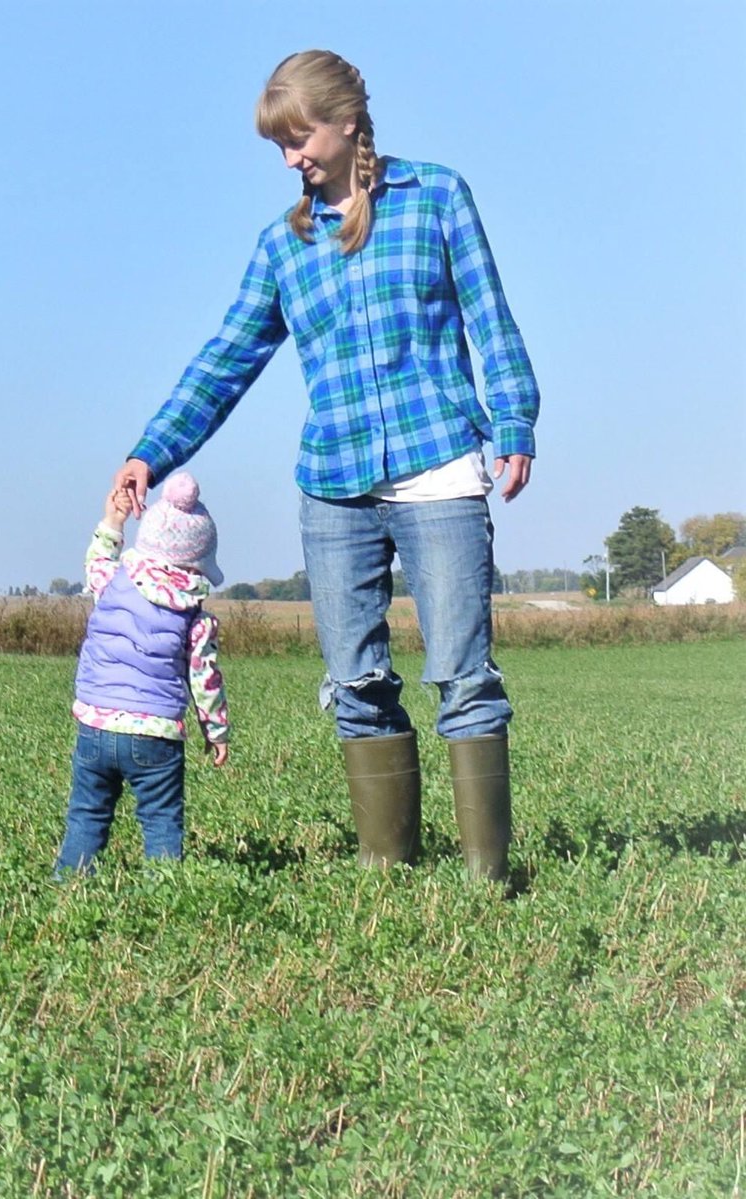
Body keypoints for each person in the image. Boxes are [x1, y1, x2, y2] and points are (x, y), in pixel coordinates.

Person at [114, 50, 540, 881]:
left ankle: (488, 882)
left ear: (349, 121)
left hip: (439, 469)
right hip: (333, 488)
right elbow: (225, 359)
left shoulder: (438, 197)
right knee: (356, 682)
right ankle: (392, 875)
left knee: (463, 674)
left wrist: (514, 416)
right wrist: (149, 450)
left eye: (299, 137)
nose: (290, 160)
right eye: (279, 146)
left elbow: (492, 317)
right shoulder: (284, 245)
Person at [54, 472, 230, 875]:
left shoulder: (113, 583)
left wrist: (113, 520)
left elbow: (97, 559)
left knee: (87, 813)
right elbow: (205, 681)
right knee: (162, 821)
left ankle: (68, 884)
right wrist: (216, 732)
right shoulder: (194, 617)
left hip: (95, 725)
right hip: (156, 734)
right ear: (200, 560)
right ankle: (163, 896)